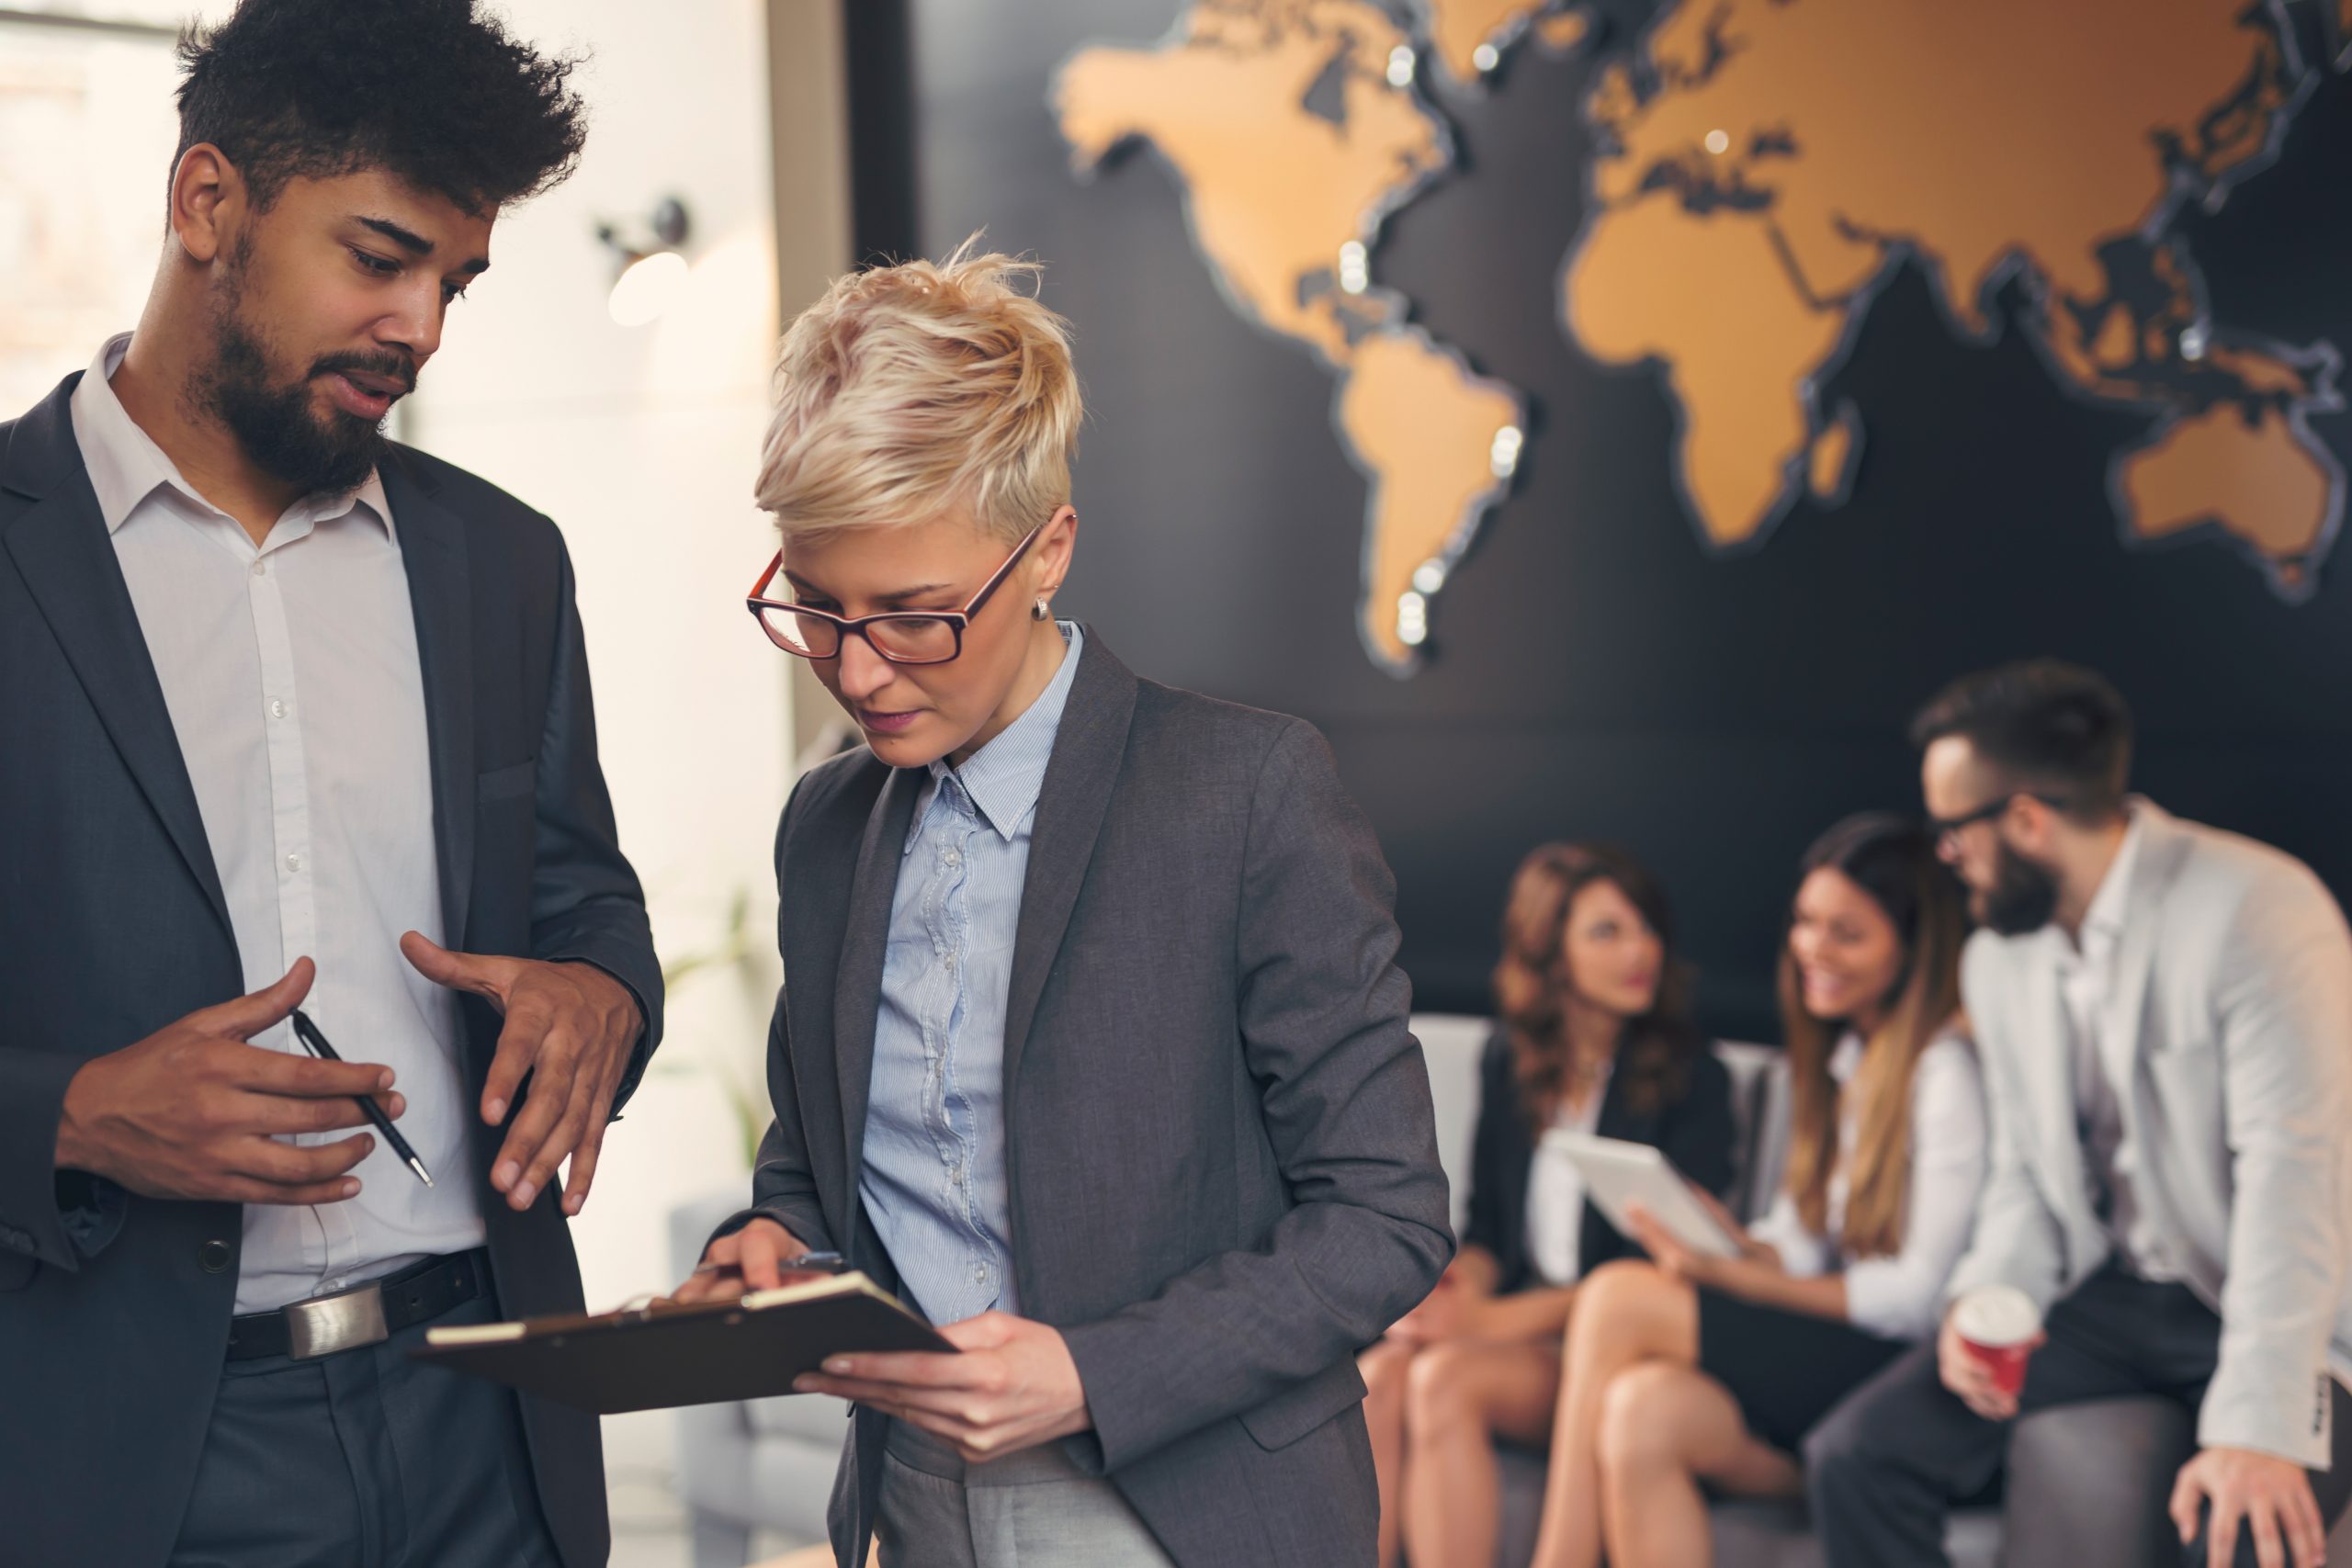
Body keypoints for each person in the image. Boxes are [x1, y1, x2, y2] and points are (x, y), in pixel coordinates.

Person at [670, 242, 1452, 1568]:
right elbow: (813, 1157)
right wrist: (771, 1244)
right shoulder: (828, 822)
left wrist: (1092, 1370)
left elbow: (1386, 1217)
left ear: (1048, 551)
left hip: (1188, 1510)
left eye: (916, 616)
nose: (857, 671)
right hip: (912, 1503)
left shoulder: (1248, 789)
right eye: (816, 606)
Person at [0, 5, 663, 1565]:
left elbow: (589, 902)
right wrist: (76, 1115)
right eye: (381, 258)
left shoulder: (502, 560)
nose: (423, 326)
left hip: (489, 1428)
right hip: (130, 1463)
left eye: (456, 281)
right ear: (208, 203)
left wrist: (596, 1001)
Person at [1805, 660, 2352, 1568]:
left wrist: (2256, 1428)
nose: (1948, 858)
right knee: (1856, 1456)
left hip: (2289, 1300)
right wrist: (1989, 1299)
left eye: (1952, 831)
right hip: (2119, 1299)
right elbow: (2024, 1171)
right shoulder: (1998, 956)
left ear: (2024, 820)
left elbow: (2291, 1177)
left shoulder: (2255, 908)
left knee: (2244, 1530)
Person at [1524, 813, 1984, 1567]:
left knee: (1617, 1297)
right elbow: (1803, 1243)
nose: (1813, 948)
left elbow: (1915, 1296)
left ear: (1911, 948)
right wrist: (1740, 1243)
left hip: (1897, 1369)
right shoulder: (1845, 1059)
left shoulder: (1945, 1076)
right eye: (1806, 922)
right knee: (1642, 1410)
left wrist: (1736, 1276)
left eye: (1847, 932)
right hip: (1825, 1355)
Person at [1360, 842, 1737, 1568]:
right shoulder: (1512, 1059)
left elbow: (1647, 1274)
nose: (1642, 951)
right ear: (1551, 953)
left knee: (1443, 1379)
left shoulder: (1697, 1078)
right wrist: (1457, 1284)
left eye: (1646, 928)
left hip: (1608, 1345)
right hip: (1524, 1329)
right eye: (1608, 932)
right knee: (1378, 1375)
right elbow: (1491, 1229)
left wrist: (1486, 1321)